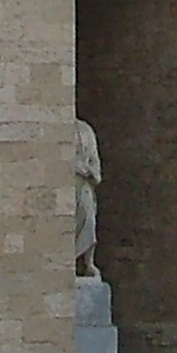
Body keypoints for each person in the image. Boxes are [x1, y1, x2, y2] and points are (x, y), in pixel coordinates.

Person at [73, 118, 103, 279]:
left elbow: (94, 162)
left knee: (89, 220)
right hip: (69, 185)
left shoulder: (85, 129)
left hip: (84, 186)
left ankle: (87, 261)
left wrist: (90, 171)